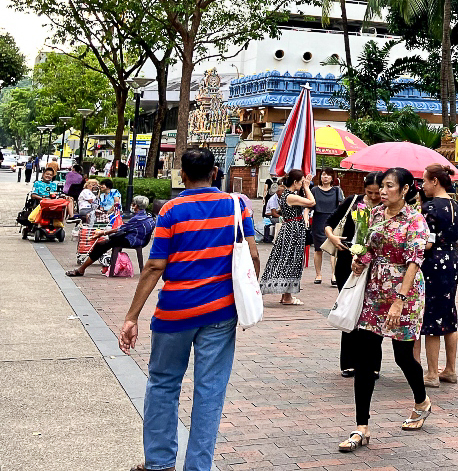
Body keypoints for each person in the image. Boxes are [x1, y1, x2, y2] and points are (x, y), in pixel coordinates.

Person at [117, 146, 259, 471]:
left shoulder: (171, 210)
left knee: (163, 383)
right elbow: (251, 257)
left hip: (175, 313)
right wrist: (245, 299)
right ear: (214, 173)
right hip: (221, 314)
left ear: (182, 175)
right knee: (210, 390)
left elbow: (154, 266)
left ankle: (159, 463)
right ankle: (197, 467)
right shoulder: (237, 206)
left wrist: (131, 316)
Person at [338, 167, 432, 453]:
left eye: (389, 186)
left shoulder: (415, 220)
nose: (383, 190)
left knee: (403, 356)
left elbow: (414, 262)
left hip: (406, 293)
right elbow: (368, 248)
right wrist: (359, 260)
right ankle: (361, 427)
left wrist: (399, 300)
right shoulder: (374, 214)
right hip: (374, 290)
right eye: (382, 185)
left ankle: (422, 401)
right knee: (365, 356)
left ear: (404, 190)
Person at [325, 173, 383, 376]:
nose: (374, 196)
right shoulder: (353, 202)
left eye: (378, 193)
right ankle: (348, 362)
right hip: (346, 262)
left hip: (374, 265)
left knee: (373, 313)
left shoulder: (387, 208)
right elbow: (330, 222)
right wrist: (332, 237)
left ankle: (372, 365)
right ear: (364, 188)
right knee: (350, 307)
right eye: (370, 192)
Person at [420, 164, 458, 387]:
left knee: (431, 317)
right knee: (449, 313)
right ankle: (450, 369)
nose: (423, 185)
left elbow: (426, 242)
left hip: (433, 263)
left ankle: (431, 373)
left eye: (425, 181)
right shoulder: (456, 205)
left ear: (435, 181)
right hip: (452, 261)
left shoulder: (430, 207)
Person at [259, 168, 315, 304]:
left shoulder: (287, 194)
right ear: (295, 182)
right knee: (291, 261)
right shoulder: (290, 196)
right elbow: (312, 202)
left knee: (291, 260)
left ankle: (287, 295)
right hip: (293, 231)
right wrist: (307, 188)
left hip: (291, 229)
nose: (302, 184)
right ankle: (287, 296)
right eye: (301, 182)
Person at [67, 195, 156, 277]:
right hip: (140, 239)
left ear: (136, 206)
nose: (132, 206)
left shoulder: (137, 218)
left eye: (133, 204)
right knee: (110, 240)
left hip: (134, 240)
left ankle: (81, 269)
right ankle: (111, 266)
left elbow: (120, 228)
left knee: (101, 245)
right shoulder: (148, 216)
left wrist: (103, 233)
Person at [309, 170, 344, 285]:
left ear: (332, 178)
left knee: (334, 249)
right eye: (324, 174)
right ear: (320, 177)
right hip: (318, 220)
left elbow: (341, 206)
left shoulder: (337, 190)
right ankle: (318, 275)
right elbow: (308, 205)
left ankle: (334, 275)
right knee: (318, 249)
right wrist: (305, 217)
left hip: (332, 221)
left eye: (328, 175)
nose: (326, 177)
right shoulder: (314, 190)